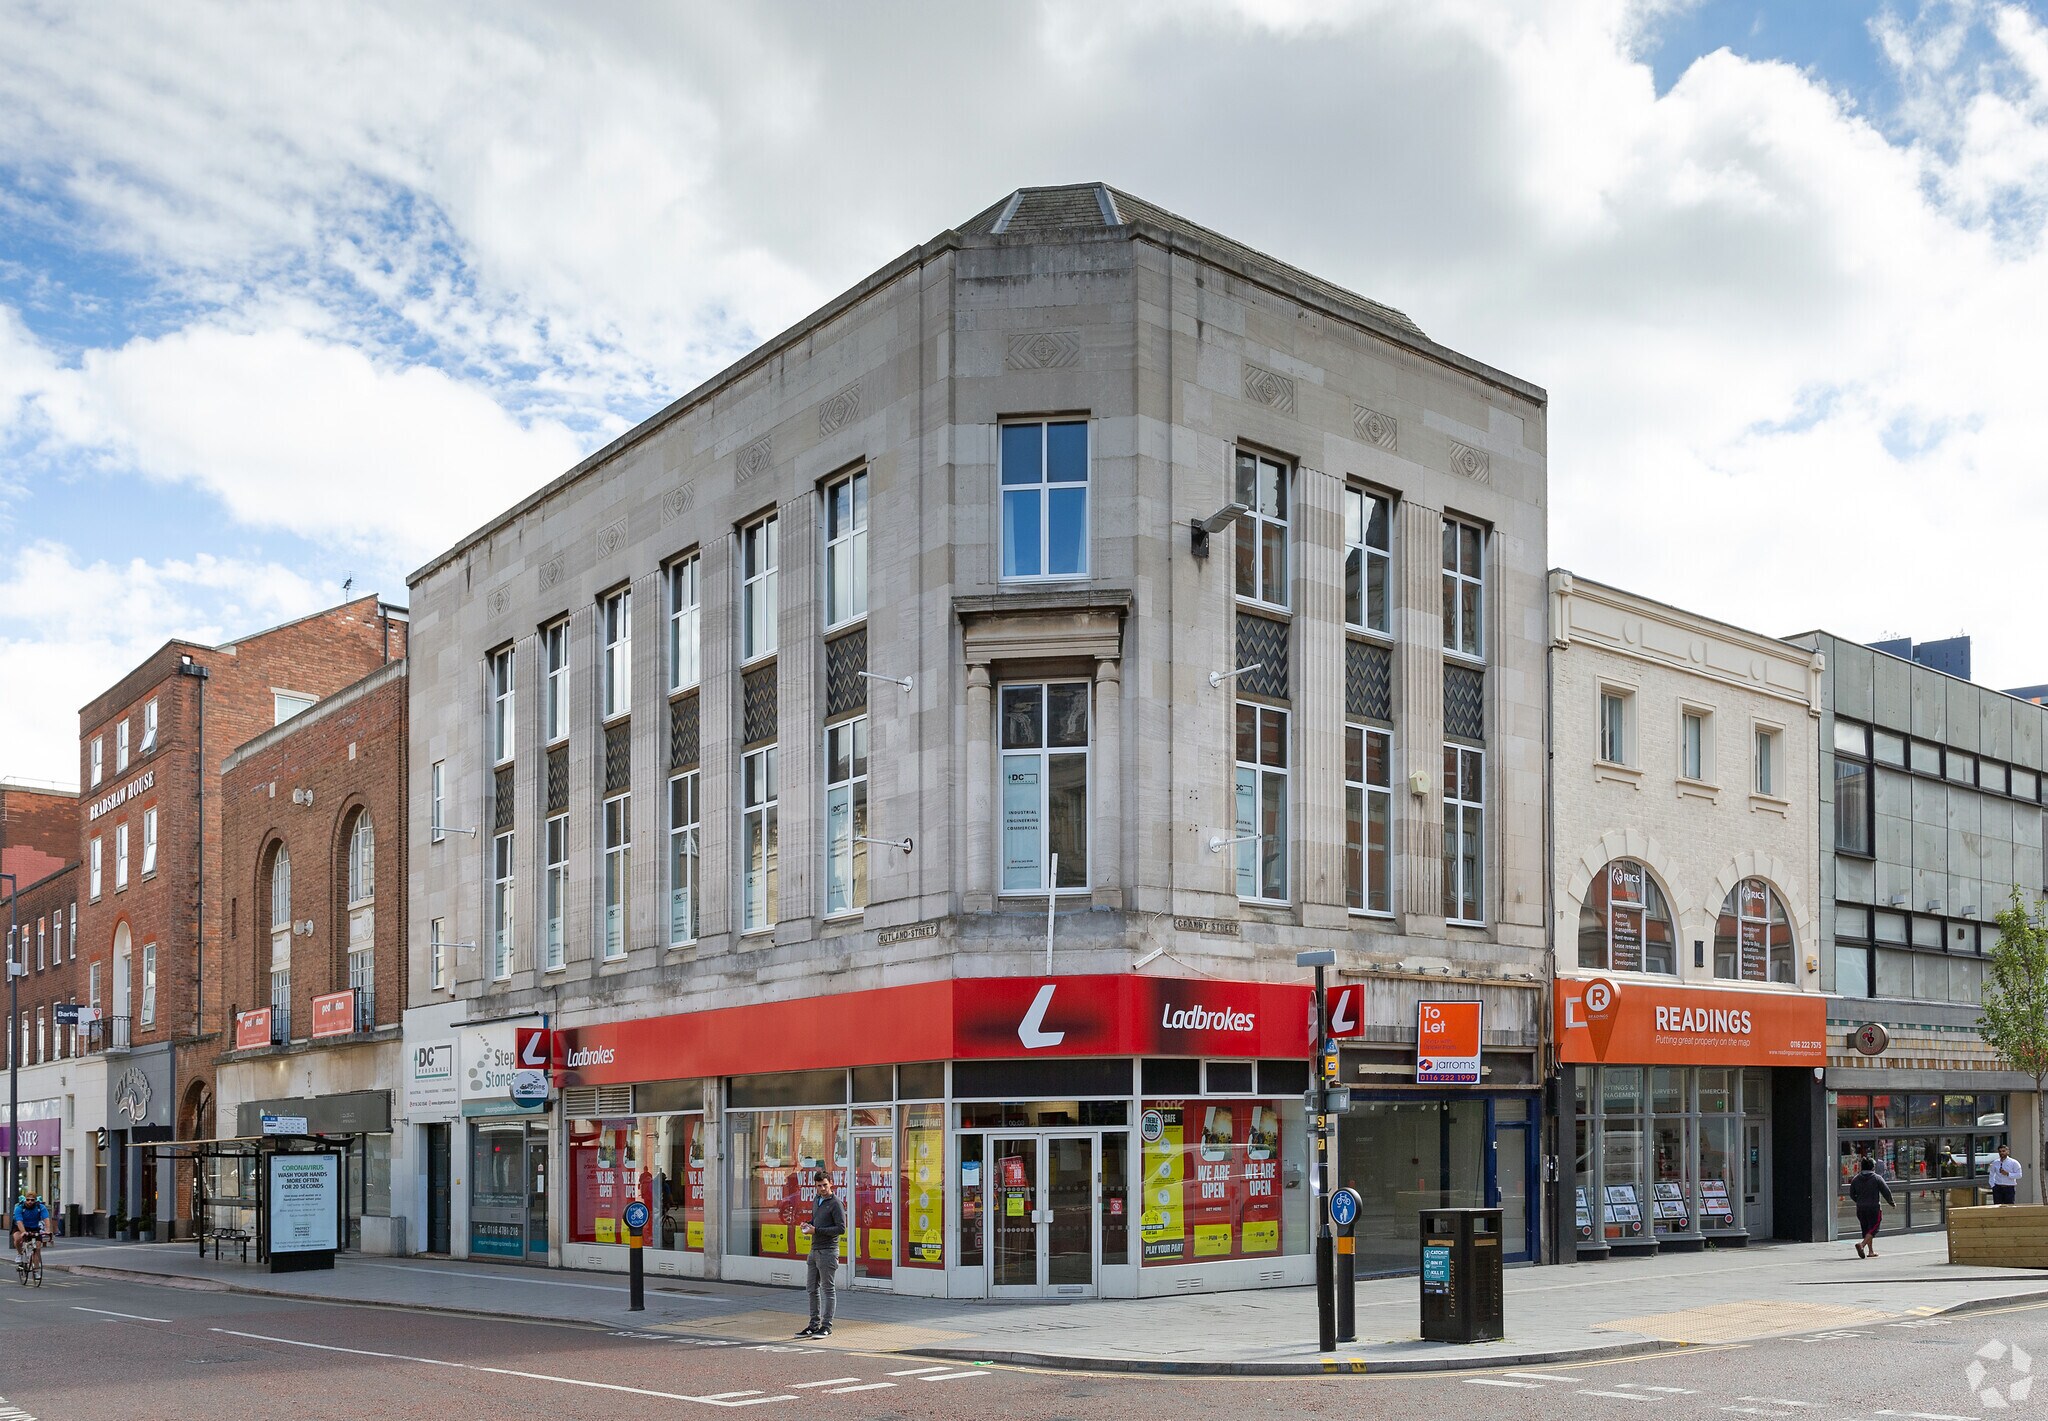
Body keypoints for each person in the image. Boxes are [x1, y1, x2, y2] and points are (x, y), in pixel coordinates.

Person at [797, 1169, 845, 1338]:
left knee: (828, 1290)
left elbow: (841, 1229)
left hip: (828, 1251)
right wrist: (808, 1225)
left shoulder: (836, 1203)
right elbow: (816, 1222)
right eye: (819, 1186)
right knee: (811, 1288)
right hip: (814, 1249)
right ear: (815, 1187)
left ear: (830, 1183)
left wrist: (816, 1230)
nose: (823, 1188)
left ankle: (826, 1326)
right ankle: (813, 1325)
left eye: (825, 1185)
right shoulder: (816, 1200)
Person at [1850, 1157, 1894, 1259]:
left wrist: (1859, 1201)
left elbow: (1852, 1194)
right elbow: (1886, 1191)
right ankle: (1862, 1245)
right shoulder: (1877, 1178)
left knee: (1867, 1229)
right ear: (1873, 1167)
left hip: (1860, 1208)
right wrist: (1891, 1202)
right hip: (1874, 1208)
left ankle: (1870, 1251)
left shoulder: (1856, 1179)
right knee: (1874, 1228)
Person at [11, 1189, 51, 1259]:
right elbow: (19, 1221)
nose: (30, 1202)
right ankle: (19, 1254)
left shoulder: (40, 1207)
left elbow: (46, 1219)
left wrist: (47, 1230)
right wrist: (23, 1232)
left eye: (32, 1200)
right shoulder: (19, 1208)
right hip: (20, 1227)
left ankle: (34, 1267)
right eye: (28, 1200)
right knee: (17, 1239)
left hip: (34, 1227)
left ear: (35, 1200)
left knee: (38, 1246)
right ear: (25, 1200)